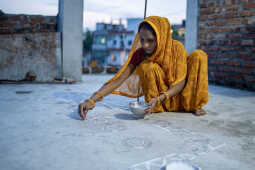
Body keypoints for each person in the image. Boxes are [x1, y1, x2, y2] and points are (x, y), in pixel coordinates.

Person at [78, 16, 209, 120]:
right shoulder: (140, 54)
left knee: (199, 56)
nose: (145, 45)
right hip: (158, 103)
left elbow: (180, 83)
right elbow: (119, 79)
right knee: (147, 66)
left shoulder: (176, 48)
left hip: (181, 97)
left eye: (150, 40)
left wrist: (160, 97)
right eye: (142, 39)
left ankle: (194, 105)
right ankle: (156, 108)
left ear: (161, 37)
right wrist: (91, 100)